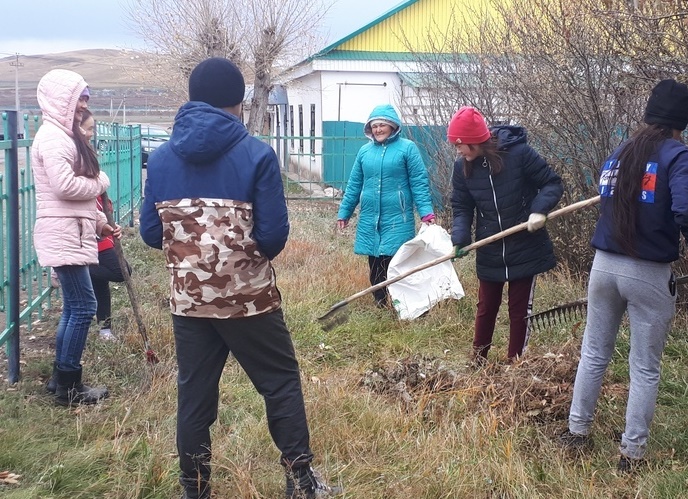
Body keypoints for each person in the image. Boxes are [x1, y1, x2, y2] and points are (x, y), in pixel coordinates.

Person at [140, 57, 341, 499]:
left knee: (194, 396)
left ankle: (194, 490)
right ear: (237, 101)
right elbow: (272, 237)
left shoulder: (161, 158)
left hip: (190, 302)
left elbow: (152, 234)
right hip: (249, 300)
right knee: (280, 384)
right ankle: (301, 484)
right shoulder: (257, 154)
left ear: (193, 98)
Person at [557, 79, 688, 473]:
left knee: (594, 353)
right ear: (682, 121)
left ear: (649, 114)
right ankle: (631, 455)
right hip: (647, 272)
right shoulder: (678, 156)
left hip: (603, 267)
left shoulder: (621, 153)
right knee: (644, 367)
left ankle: (576, 433)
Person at [448, 106, 564, 365]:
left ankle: (515, 364)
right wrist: (460, 238)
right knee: (486, 307)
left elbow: (552, 183)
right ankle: (478, 361)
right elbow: (462, 206)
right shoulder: (461, 168)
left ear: (474, 140)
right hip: (490, 249)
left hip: (525, 244)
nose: (458, 150)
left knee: (519, 310)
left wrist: (539, 210)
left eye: (459, 144)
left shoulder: (519, 154)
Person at [32, 69, 116, 406]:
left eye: (86, 97)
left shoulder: (62, 135)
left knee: (74, 307)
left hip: (71, 229)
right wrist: (100, 183)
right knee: (84, 307)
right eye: (79, 97)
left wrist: (99, 222)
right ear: (61, 99)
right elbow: (65, 187)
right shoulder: (54, 138)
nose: (84, 104)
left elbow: (72, 196)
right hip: (64, 232)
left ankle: (60, 380)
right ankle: (69, 386)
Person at [337, 104, 436, 308]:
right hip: (370, 216)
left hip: (398, 217)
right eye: (374, 126)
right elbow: (354, 184)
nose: (378, 130)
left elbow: (419, 182)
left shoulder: (407, 148)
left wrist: (426, 212)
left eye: (382, 125)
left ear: (392, 126)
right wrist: (344, 212)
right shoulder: (365, 152)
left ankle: (400, 301)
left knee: (395, 260)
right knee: (375, 261)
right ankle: (380, 302)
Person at [76, 109, 132, 341]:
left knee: (103, 279)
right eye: (89, 128)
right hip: (86, 232)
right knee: (120, 272)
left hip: (98, 228)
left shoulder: (86, 152)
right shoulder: (72, 156)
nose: (92, 133)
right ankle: (78, 269)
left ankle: (105, 328)